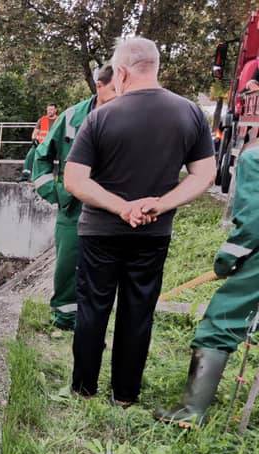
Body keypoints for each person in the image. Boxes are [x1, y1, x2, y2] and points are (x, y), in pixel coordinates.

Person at [63, 37, 216, 406]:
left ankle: (84, 390)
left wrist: (120, 208)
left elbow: (75, 180)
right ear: (156, 66)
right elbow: (204, 174)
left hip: (100, 232)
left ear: (122, 72)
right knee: (138, 312)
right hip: (152, 233)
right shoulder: (190, 113)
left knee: (92, 309)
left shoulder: (101, 116)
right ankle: (126, 396)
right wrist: (159, 205)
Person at [155, 138, 259, 426]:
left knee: (221, 321)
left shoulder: (255, 159)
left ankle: (191, 411)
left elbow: (254, 221)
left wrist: (229, 258)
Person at [31, 66, 117, 330]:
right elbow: (41, 156)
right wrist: (55, 192)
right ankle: (65, 320)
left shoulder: (128, 117)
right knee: (68, 264)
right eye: (115, 89)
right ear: (99, 85)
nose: (120, 95)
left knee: (102, 269)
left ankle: (94, 321)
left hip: (111, 207)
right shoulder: (71, 117)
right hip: (73, 207)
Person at [23, 103, 58, 178]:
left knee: (48, 160)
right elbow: (35, 132)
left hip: (51, 145)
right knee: (30, 155)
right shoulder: (42, 120)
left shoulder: (59, 120)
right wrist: (34, 139)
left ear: (55, 110)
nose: (49, 111)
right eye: (48, 110)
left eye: (51, 110)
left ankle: (46, 177)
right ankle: (25, 176)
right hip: (39, 144)